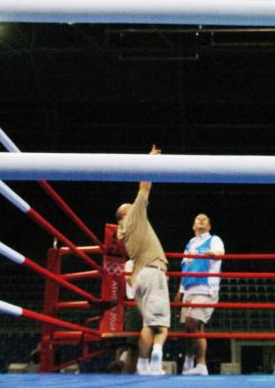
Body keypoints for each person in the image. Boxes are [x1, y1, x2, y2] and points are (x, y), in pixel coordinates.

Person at [116, 144, 169, 376]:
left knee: (149, 322)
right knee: (159, 326)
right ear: (127, 213)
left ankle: (144, 366)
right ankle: (153, 362)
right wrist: (150, 161)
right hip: (152, 272)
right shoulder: (134, 214)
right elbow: (144, 186)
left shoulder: (122, 231)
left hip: (138, 278)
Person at [176, 213, 224, 376]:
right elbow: (185, 267)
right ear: (193, 226)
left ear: (209, 226)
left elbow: (220, 253)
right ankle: (199, 365)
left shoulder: (214, 239)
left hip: (205, 289)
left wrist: (214, 254)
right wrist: (180, 291)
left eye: (205, 219)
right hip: (189, 290)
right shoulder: (190, 243)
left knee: (192, 323)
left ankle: (192, 360)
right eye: (197, 218)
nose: (201, 220)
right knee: (194, 329)